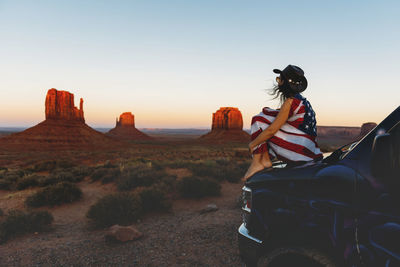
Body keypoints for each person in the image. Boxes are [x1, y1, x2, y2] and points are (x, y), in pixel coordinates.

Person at [242, 65, 322, 181]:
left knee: (258, 120)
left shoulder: (291, 102)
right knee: (266, 115)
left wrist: (253, 144)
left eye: (279, 79)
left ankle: (257, 162)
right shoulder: (301, 101)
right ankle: (264, 160)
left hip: (299, 153)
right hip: (309, 150)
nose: (278, 81)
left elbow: (271, 130)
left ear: (285, 83)